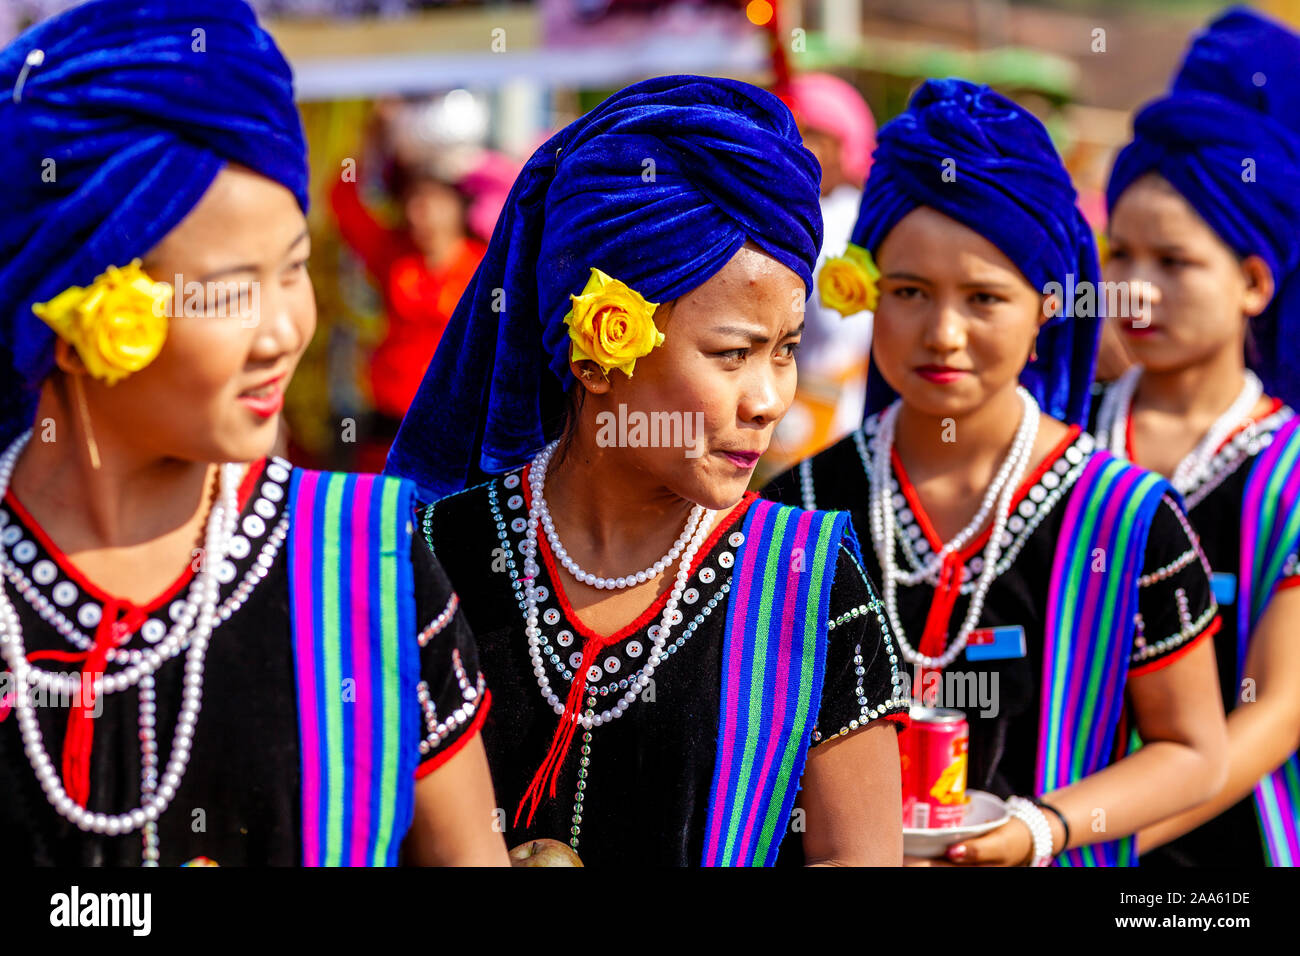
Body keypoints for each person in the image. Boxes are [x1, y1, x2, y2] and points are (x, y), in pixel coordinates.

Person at [0, 0, 506, 866]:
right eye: (232, 289)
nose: (283, 330)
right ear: (77, 309)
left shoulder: (370, 566)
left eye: (294, 269)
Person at [387, 75, 909, 867]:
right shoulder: (439, 556)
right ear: (598, 351)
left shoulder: (806, 581)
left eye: (786, 349)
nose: (769, 399)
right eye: (732, 354)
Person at [765, 78, 1228, 867]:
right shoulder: (801, 509)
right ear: (867, 289)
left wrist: (1042, 828)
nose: (943, 333)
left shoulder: (1125, 517)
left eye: (984, 298)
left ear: (1047, 308)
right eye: (909, 292)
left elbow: (1194, 749)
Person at [1094, 7, 1300, 867]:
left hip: (1223, 850)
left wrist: (1099, 835)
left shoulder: (1285, 470)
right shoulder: (1071, 437)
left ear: (1255, 280)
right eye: (1119, 256)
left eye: (1174, 264)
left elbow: (1279, 711)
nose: (1138, 291)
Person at [330, 143, 487, 470]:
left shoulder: (487, 264)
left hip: (459, 423)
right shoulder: (392, 254)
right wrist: (373, 138)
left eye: (433, 200)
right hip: (389, 424)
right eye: (413, 200)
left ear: (458, 204)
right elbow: (342, 201)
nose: (421, 213)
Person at [765, 73, 877, 479]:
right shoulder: (784, 216)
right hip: (789, 420)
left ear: (836, 145)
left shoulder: (856, 220)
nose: (786, 147)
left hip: (840, 421)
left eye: (806, 133)